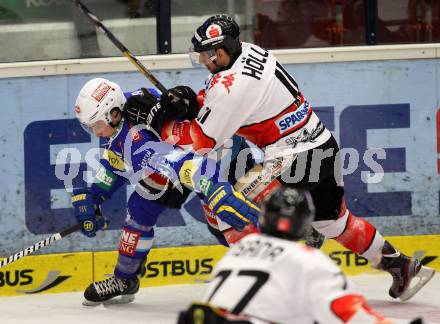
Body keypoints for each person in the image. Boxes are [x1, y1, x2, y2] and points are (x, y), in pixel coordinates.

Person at [123, 14, 435, 301]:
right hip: (324, 147)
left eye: (205, 56)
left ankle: (264, 286)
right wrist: (192, 102)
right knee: (335, 222)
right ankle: (403, 267)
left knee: (225, 205)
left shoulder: (229, 88)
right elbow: (225, 102)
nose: (203, 61)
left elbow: (202, 142)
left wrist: (159, 123)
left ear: (220, 53)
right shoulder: (251, 52)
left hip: (294, 158)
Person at [71, 77, 260, 305]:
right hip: (175, 161)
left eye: (96, 125)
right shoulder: (127, 105)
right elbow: (116, 163)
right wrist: (94, 195)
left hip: (218, 154)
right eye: (89, 127)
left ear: (113, 114)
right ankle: (124, 279)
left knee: (227, 222)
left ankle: (272, 271)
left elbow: (188, 166)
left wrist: (213, 188)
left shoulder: (138, 145)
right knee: (139, 210)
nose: (95, 132)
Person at [178, 186, 393, 324]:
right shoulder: (308, 258)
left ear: (263, 218)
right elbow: (347, 310)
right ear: (305, 224)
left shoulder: (240, 250)